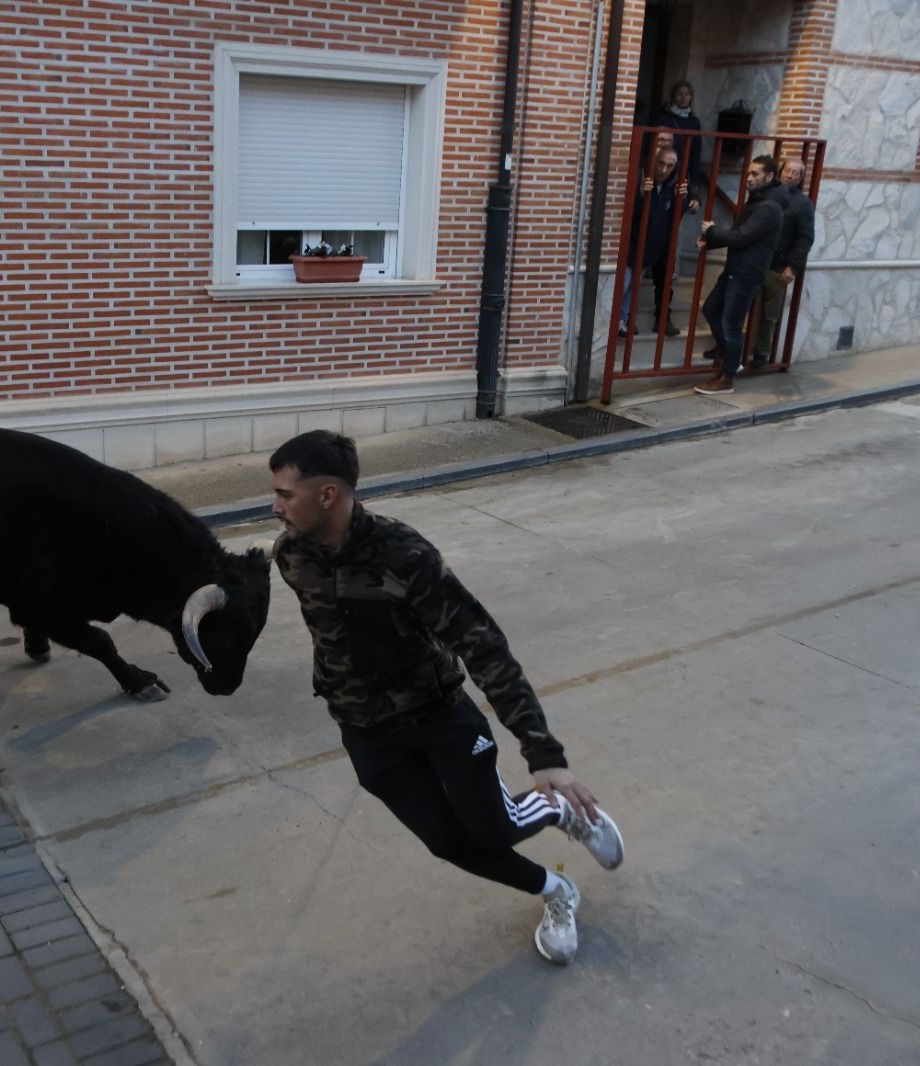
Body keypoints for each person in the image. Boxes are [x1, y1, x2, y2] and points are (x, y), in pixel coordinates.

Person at [268, 431, 624, 966]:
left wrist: (543, 754)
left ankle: (557, 808)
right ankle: (556, 892)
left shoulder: (406, 556)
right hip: (365, 730)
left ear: (328, 495)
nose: (275, 506)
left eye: (284, 494)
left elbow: (482, 646)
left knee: (492, 828)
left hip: (439, 717)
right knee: (446, 841)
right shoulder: (290, 555)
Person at [694, 154, 784, 395]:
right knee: (712, 309)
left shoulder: (769, 208)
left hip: (747, 273)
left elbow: (741, 237)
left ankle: (727, 377)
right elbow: (739, 235)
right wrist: (710, 243)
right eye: (749, 173)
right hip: (735, 269)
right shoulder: (756, 203)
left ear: (770, 176)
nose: (749, 178)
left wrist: (712, 231)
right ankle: (730, 360)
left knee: (731, 323)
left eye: (755, 174)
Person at [749, 156, 816, 370]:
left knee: (769, 314)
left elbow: (805, 238)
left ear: (801, 177)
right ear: (780, 171)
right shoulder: (764, 193)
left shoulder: (803, 203)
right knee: (740, 306)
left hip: (778, 265)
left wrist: (793, 267)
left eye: (797, 172)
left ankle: (761, 354)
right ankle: (729, 348)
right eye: (788, 170)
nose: (791, 174)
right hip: (755, 260)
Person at [619, 145, 689, 338]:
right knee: (623, 282)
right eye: (661, 163)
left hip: (649, 248)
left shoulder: (671, 188)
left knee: (634, 285)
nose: (664, 170)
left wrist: (681, 199)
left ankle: (622, 319)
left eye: (669, 166)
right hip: (631, 244)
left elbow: (674, 218)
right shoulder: (640, 179)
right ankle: (612, 319)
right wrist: (640, 194)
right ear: (654, 161)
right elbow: (629, 213)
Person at [655, 80, 706, 211]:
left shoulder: (694, 122)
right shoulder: (663, 118)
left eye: (687, 94)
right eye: (679, 94)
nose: (684, 98)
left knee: (677, 210)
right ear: (673, 96)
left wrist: (694, 183)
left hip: (682, 173)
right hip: (662, 169)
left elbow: (696, 152)